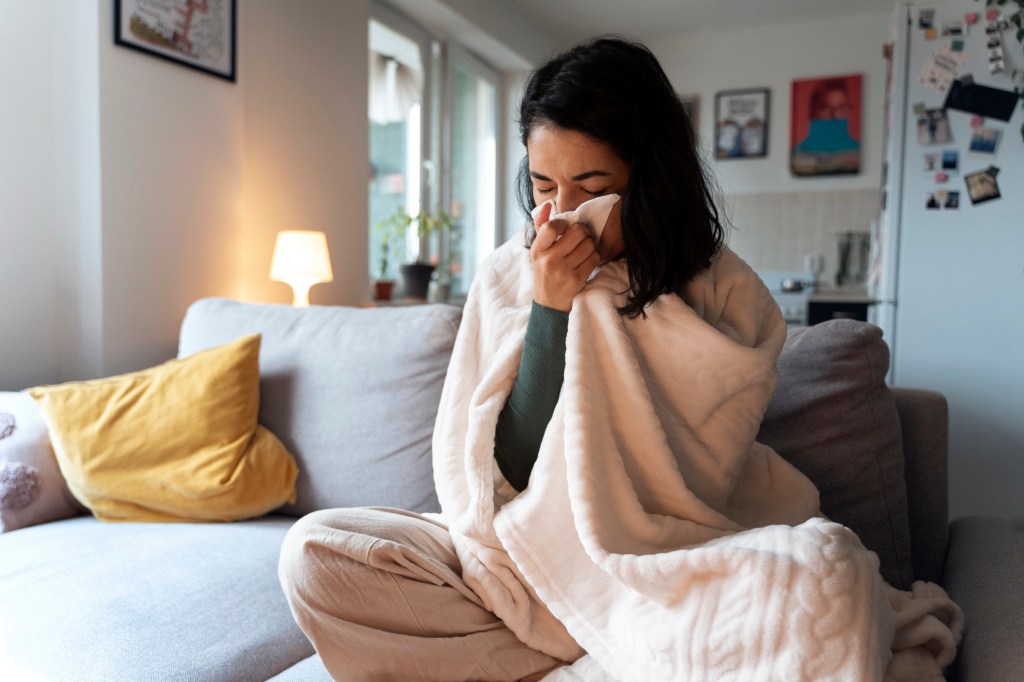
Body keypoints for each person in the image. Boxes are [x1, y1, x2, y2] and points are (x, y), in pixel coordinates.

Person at [279, 37, 956, 682]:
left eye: (591, 185)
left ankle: (598, 652)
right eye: (544, 186)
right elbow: (499, 472)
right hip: (519, 561)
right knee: (319, 555)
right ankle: (614, 660)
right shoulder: (509, 276)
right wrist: (552, 309)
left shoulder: (725, 290)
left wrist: (614, 299)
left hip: (665, 569)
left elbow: (697, 480)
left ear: (649, 178)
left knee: (826, 577)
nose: (563, 213)